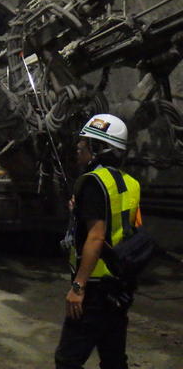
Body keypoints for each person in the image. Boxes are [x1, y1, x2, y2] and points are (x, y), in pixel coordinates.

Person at [55, 114, 139, 369]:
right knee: (113, 359)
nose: (78, 150)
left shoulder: (93, 183)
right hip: (119, 284)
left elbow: (97, 235)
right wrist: (81, 210)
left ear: (98, 148)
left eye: (83, 145)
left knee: (67, 360)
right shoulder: (129, 183)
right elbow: (127, 228)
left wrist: (78, 287)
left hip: (93, 286)